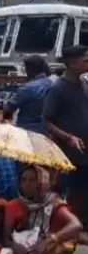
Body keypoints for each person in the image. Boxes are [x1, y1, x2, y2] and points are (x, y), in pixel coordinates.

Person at [2, 165, 83, 254]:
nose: (26, 184)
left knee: (55, 241)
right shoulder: (14, 205)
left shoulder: (54, 203)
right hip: (22, 249)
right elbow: (5, 236)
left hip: (45, 250)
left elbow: (76, 225)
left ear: (42, 183)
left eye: (32, 180)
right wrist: (14, 246)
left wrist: (53, 239)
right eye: (23, 180)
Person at [43, 45, 88, 224]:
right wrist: (68, 137)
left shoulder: (84, 85)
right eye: (85, 60)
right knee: (68, 196)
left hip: (85, 154)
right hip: (68, 156)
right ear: (71, 63)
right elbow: (46, 121)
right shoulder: (58, 89)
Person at [2, 55, 51, 134]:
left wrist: (5, 114)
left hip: (27, 131)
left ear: (29, 69)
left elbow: (9, 108)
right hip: (47, 131)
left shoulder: (27, 88)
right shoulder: (53, 84)